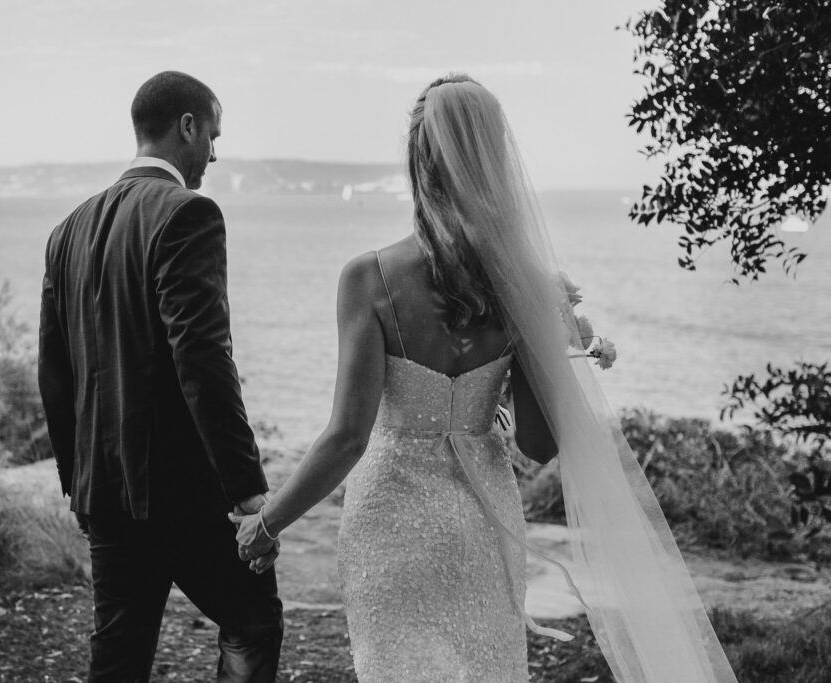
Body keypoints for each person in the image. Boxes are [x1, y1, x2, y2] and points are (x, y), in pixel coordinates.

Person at [231, 75, 738, 682]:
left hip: (389, 528)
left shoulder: (368, 278)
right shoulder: (523, 286)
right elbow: (539, 444)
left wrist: (266, 524)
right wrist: (554, 341)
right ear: (496, 162)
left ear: (419, 163)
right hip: (483, 526)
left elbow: (346, 438)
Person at [39, 70, 283, 682]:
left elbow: (54, 373)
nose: (214, 153)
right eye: (213, 136)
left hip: (104, 492)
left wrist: (78, 483)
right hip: (182, 494)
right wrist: (249, 493)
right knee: (254, 623)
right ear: (187, 127)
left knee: (119, 659)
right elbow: (203, 362)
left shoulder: (66, 230)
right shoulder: (189, 214)